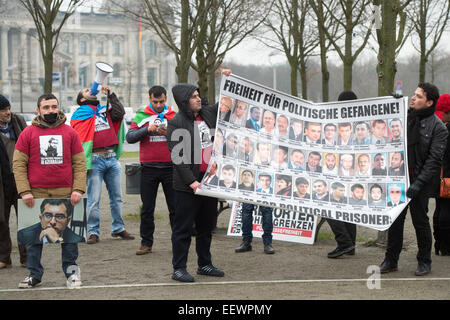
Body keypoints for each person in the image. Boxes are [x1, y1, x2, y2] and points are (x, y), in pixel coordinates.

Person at [13, 93, 86, 289]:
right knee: (33, 240)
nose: (51, 110)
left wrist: (78, 188)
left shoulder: (70, 133)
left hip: (67, 193)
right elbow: (18, 165)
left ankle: (72, 274)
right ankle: (34, 274)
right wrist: (24, 191)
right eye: (46, 107)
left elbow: (80, 163)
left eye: (54, 106)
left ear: (58, 107)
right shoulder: (27, 133)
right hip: (35, 194)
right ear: (38, 110)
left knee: (70, 239)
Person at [166, 69, 231, 282]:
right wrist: (192, 182)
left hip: (209, 182)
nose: (199, 99)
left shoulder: (208, 114)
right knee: (183, 229)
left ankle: (205, 264)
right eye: (194, 97)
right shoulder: (176, 123)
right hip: (187, 186)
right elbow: (178, 158)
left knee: (206, 227)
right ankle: (179, 268)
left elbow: (227, 103)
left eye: (198, 95)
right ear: (185, 101)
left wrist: (226, 79)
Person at [380, 83, 448, 276]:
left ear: (429, 102)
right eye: (413, 94)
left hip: (421, 183)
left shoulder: (439, 128)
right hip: (398, 179)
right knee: (395, 221)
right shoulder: (404, 117)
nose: (413, 98)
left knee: (420, 221)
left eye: (418, 96)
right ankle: (390, 260)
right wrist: (391, 105)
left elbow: (434, 161)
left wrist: (417, 185)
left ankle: (424, 261)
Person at [71, 85, 134, 244]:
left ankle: (118, 228)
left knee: (117, 197)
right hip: (94, 159)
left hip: (111, 158)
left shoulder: (103, 110)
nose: (90, 90)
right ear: (82, 99)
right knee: (94, 199)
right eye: (86, 91)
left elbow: (120, 113)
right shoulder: (79, 114)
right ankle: (93, 231)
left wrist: (111, 95)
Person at [126, 85, 176, 256]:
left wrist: (168, 133)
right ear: (149, 99)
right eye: (155, 102)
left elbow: (184, 139)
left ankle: (178, 241)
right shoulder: (142, 116)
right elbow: (130, 138)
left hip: (170, 167)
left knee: (174, 208)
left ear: (166, 99)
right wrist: (146, 129)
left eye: (161, 102)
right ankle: (146, 243)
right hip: (148, 167)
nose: (159, 105)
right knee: (147, 208)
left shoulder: (173, 116)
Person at [0, 94, 27, 269]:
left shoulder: (19, 122)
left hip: (21, 179)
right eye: (3, 110)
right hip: (2, 181)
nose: (8, 113)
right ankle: (4, 258)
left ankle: (27, 257)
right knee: (1, 220)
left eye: (8, 109)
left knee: (26, 219)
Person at [18, 199, 84, 245]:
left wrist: (58, 240)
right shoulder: (24, 236)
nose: (52, 222)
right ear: (41, 218)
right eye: (48, 215)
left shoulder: (77, 240)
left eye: (59, 217)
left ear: (68, 220)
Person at [433, 93, 450, 255]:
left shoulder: (438, 128)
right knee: (444, 211)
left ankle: (439, 244)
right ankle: (445, 246)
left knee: (439, 210)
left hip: (439, 176)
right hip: (447, 177)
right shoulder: (444, 129)